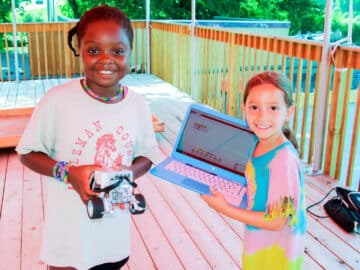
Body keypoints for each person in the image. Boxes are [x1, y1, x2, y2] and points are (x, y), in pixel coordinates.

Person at [16, 5, 162, 270]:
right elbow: (27, 152)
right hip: (68, 238)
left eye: (118, 51)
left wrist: (128, 172)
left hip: (113, 239)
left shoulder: (137, 105)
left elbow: (148, 154)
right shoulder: (57, 101)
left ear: (130, 53)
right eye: (94, 50)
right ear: (80, 51)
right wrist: (68, 172)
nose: (106, 59)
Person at [201, 71, 306, 269]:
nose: (261, 116)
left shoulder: (283, 160)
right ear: (244, 108)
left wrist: (226, 209)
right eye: (254, 107)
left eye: (273, 108)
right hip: (259, 241)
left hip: (277, 255)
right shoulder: (258, 141)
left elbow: (278, 220)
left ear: (289, 112)